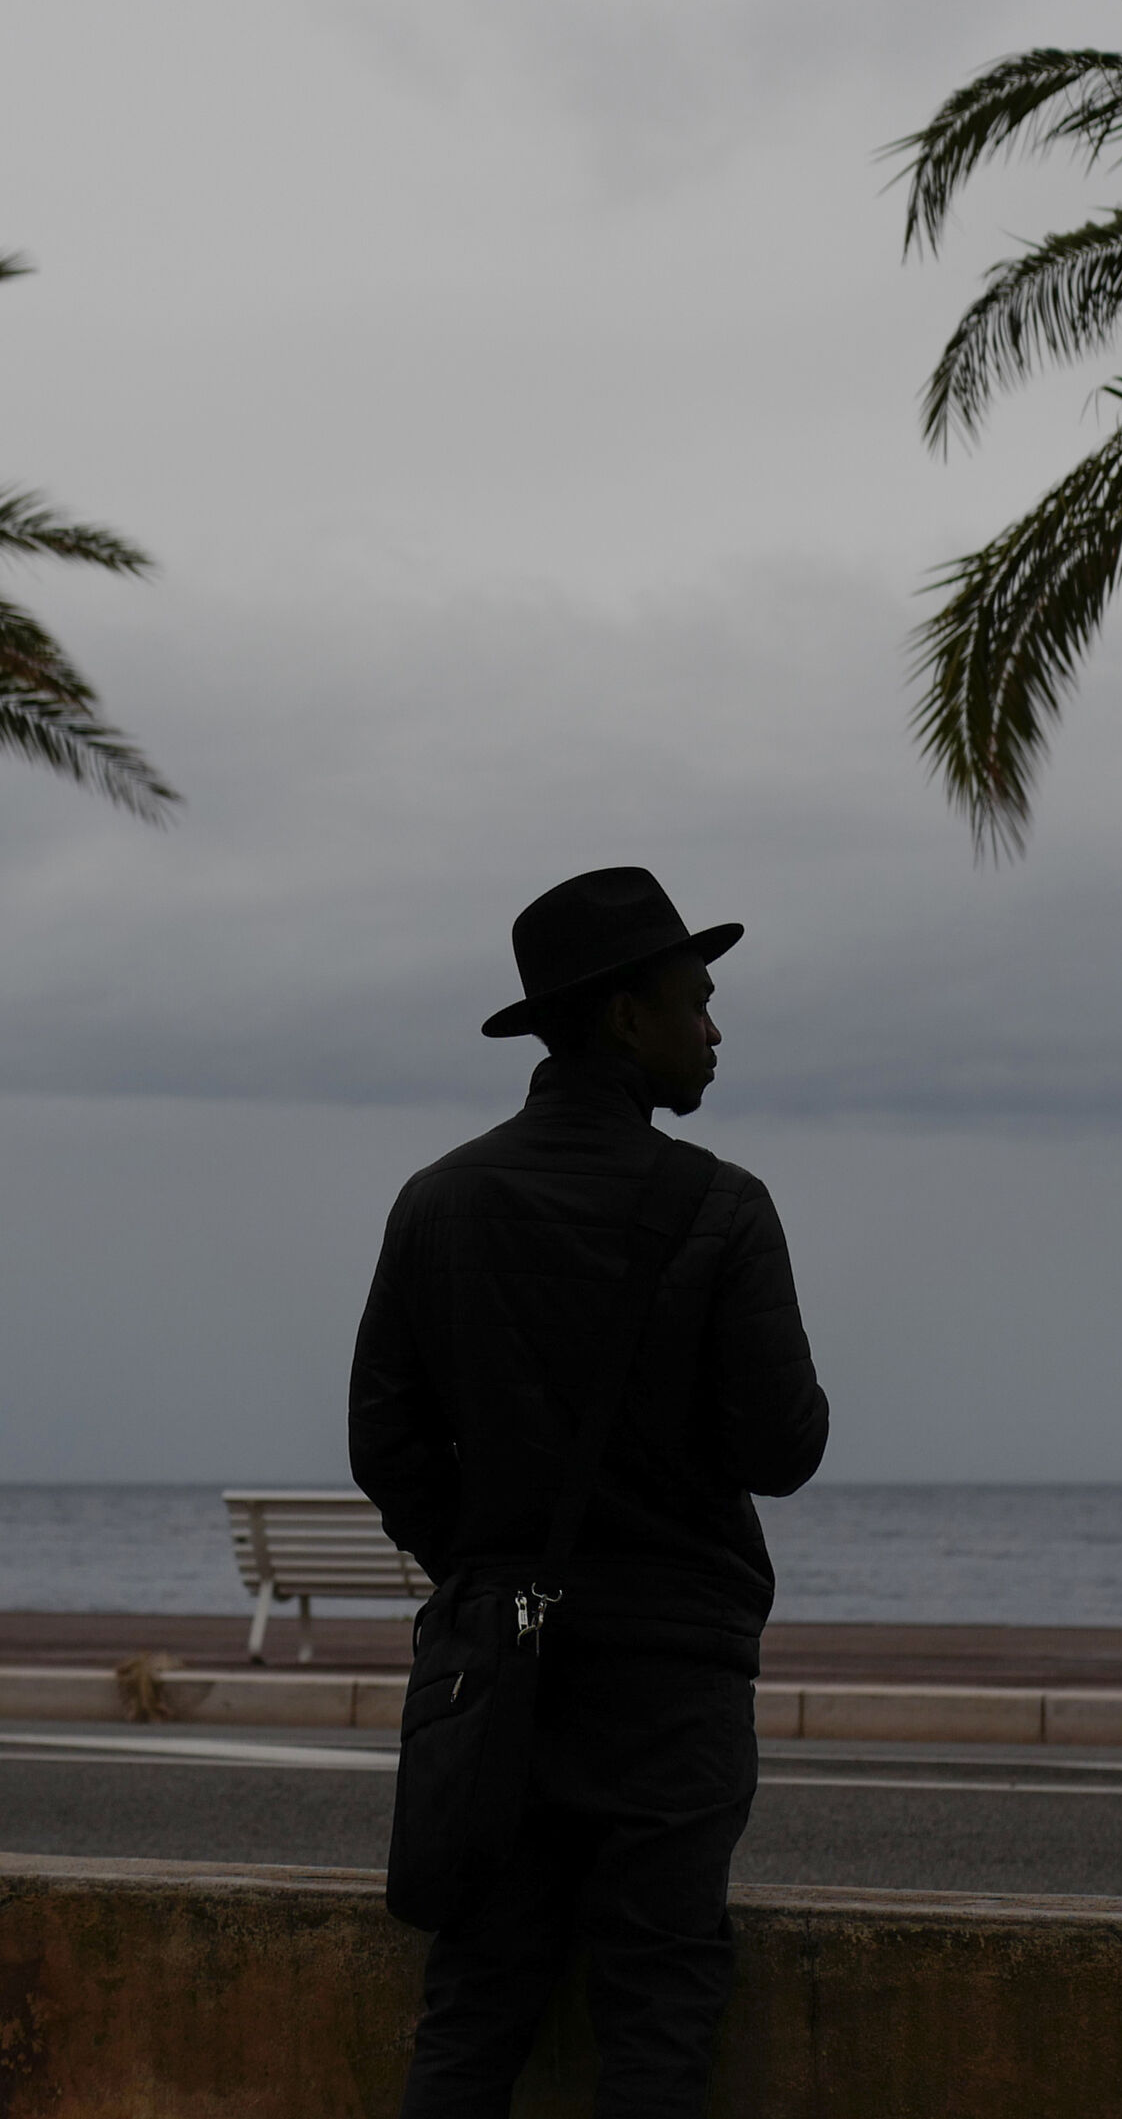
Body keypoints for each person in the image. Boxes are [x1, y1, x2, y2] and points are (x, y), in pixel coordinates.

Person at [350, 865, 831, 2119]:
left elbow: (385, 1440)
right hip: (673, 1684)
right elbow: (783, 1448)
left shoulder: (438, 1200)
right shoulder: (722, 1206)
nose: (714, 1029)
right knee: (658, 2014)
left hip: (495, 1675)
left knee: (473, 2008)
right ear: (626, 1015)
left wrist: (492, 1569)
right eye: (695, 1000)